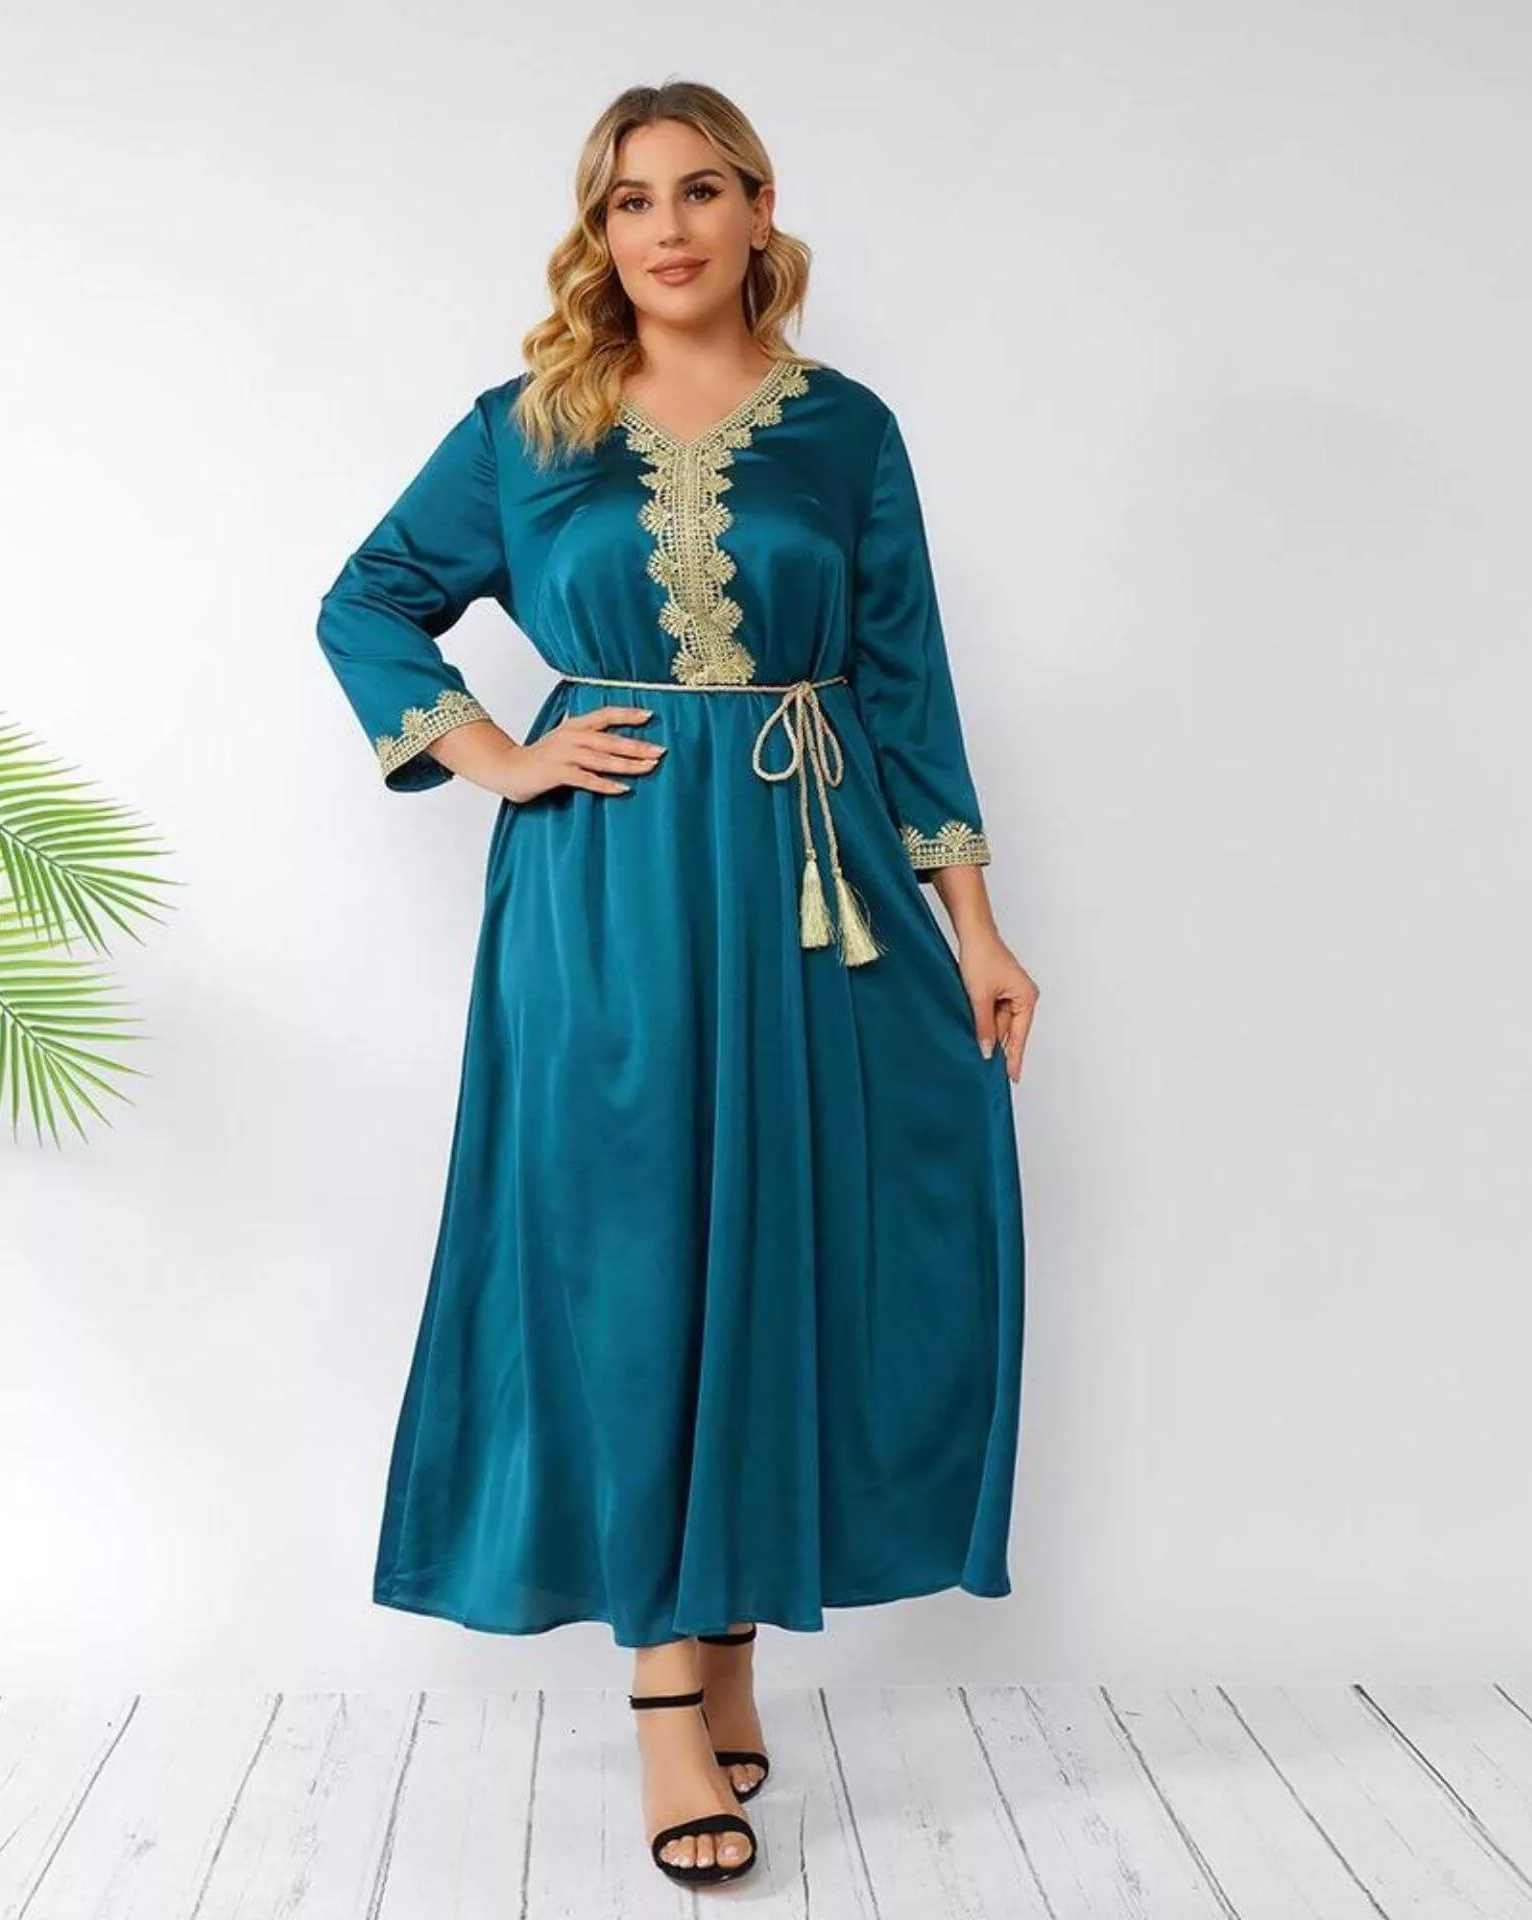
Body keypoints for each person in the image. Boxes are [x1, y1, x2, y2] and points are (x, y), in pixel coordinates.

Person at [315, 78, 1038, 1892]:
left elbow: (906, 678)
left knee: (787, 1241)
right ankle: (661, 1689)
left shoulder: (846, 429)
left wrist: (976, 923)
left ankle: (722, 1643)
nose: (668, 228)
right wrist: (498, 754)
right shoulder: (526, 427)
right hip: (609, 884)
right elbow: (368, 598)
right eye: (630, 200)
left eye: (701, 191)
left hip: (814, 884)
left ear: (758, 209)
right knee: (629, 1246)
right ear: (600, 230)